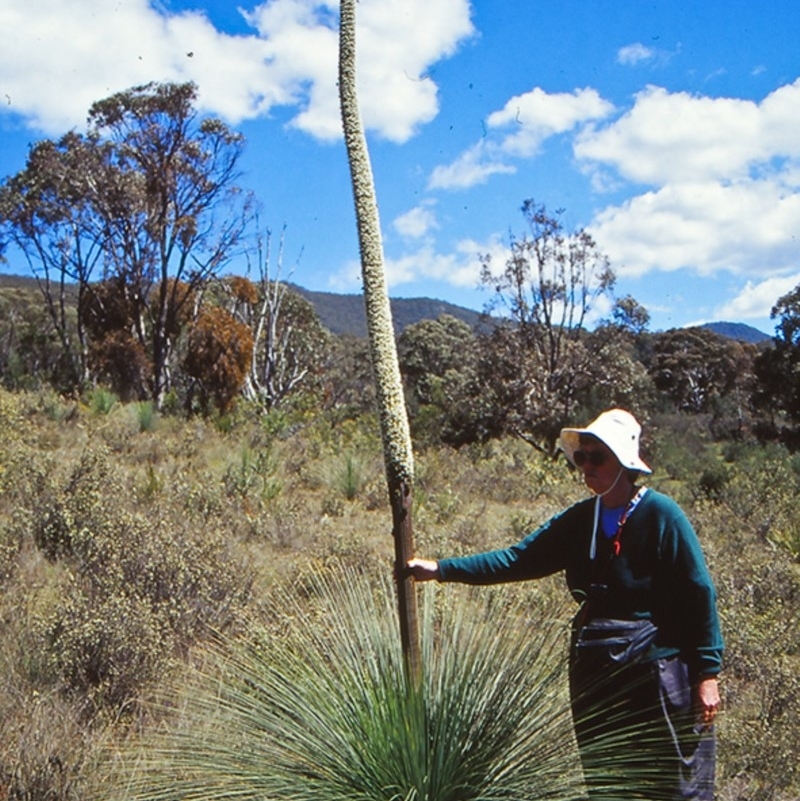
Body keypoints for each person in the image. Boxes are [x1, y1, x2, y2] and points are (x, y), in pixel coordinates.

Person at [407, 408, 723, 800]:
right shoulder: (579, 520)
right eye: (581, 456)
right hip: (596, 668)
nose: (586, 466)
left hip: (656, 671)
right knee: (608, 778)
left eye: (597, 457)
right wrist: (440, 569)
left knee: (676, 783)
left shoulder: (662, 515)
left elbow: (699, 592)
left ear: (624, 463)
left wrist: (706, 675)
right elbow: (519, 559)